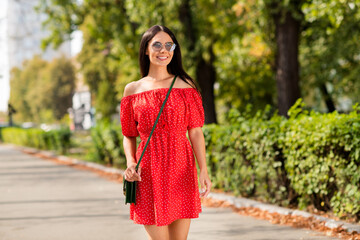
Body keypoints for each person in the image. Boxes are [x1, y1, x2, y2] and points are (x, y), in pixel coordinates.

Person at [120, 25, 212, 240]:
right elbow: (128, 134)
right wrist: (130, 163)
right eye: (157, 45)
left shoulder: (186, 86)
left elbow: (196, 131)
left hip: (182, 168)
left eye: (169, 45)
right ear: (145, 49)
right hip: (148, 170)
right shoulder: (133, 90)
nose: (164, 50)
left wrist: (203, 169)